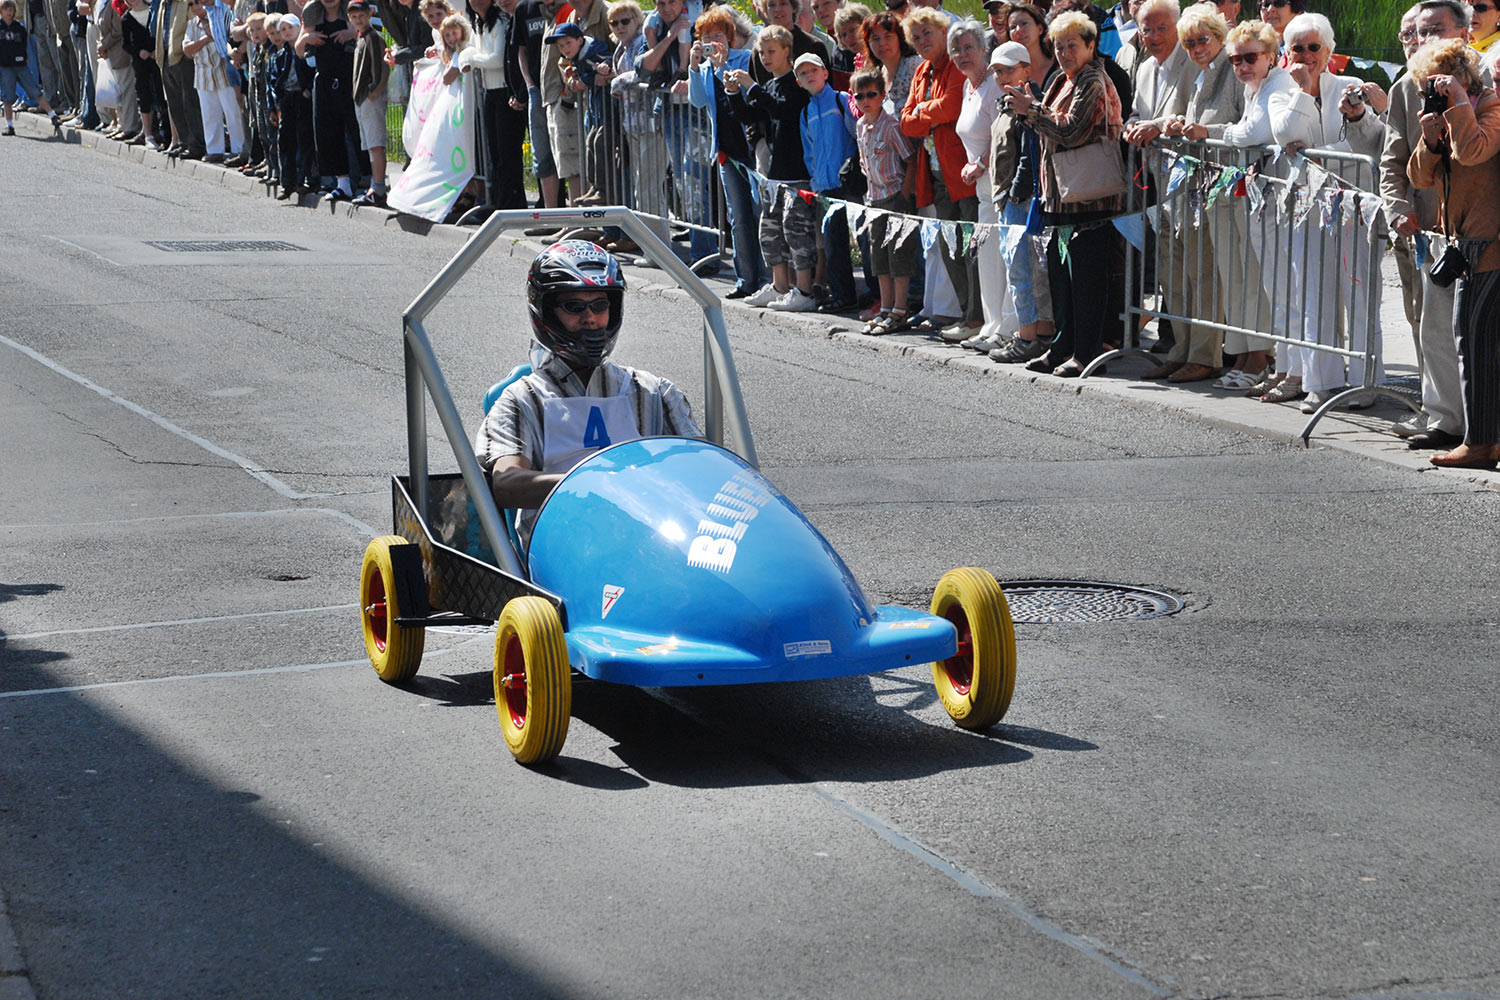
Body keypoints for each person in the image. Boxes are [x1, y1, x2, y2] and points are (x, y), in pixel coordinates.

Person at [476, 241, 702, 545]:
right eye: (575, 307)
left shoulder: (654, 392)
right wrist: (602, 481)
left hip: (649, 539)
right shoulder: (521, 399)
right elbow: (507, 482)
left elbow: (700, 468)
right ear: (546, 312)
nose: (590, 319)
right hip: (562, 546)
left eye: (600, 306)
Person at [1267, 10, 1385, 413]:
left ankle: (1368, 382)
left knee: (1360, 293)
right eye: (1296, 48)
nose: (1305, 55)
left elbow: (1368, 144)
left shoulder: (1350, 86)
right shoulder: (1283, 90)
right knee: (1313, 293)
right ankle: (1321, 383)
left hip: (1352, 205)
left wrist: (1322, 153)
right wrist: (1303, 92)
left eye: (1313, 47)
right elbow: (1284, 133)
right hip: (1307, 206)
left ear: (1328, 50)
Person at [1003, 9, 1125, 377]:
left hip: (1090, 196)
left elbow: (1072, 131)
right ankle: (1063, 345)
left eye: (1072, 45)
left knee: (1087, 276)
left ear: (1091, 45)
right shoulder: (1061, 80)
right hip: (1059, 195)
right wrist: (1025, 109)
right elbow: (1044, 126)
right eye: (1058, 46)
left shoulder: (1093, 80)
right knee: (1060, 275)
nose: (1064, 52)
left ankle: (1086, 353)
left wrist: (1032, 110)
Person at [1408, 37, 1500, 469]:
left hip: (1490, 249)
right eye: (1429, 86)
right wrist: (1429, 140)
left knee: (1476, 344)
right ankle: (1487, 438)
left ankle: (1480, 443)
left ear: (1465, 77)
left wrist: (1460, 104)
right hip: (1465, 247)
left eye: (1442, 83)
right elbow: (1420, 179)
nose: (1436, 92)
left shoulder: (1491, 111)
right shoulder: (1451, 117)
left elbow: (1474, 150)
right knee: (1476, 344)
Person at [1386, 0, 1473, 449]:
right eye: (1417, 32)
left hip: (1481, 225)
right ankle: (1444, 420)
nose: (1423, 40)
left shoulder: (1486, 79)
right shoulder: (1406, 87)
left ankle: (1481, 421)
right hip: (1432, 230)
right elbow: (1393, 161)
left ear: (1464, 33)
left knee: (1479, 330)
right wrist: (1398, 209)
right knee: (1435, 327)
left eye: (1435, 29)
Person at [728, 24, 819, 311]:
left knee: (796, 231)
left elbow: (781, 109)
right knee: (769, 230)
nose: (765, 58)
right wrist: (733, 93)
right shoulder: (769, 85)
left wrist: (751, 86)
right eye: (762, 52)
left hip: (798, 171)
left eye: (771, 52)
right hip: (775, 174)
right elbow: (751, 115)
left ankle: (805, 290)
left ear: (786, 52)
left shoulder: (795, 83)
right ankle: (780, 285)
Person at [901, 5, 976, 337]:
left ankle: (977, 317)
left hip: (962, 171)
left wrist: (923, 110)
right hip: (934, 172)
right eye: (915, 38)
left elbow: (953, 106)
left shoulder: (956, 66)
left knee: (972, 247)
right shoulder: (921, 72)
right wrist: (927, 113)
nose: (921, 41)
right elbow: (906, 123)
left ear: (944, 32)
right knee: (950, 247)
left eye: (926, 33)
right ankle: (965, 313)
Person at [687, 5, 766, 292]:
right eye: (706, 37)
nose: (713, 42)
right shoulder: (704, 69)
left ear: (730, 37)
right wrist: (694, 67)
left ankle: (769, 277)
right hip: (724, 150)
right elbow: (697, 101)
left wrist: (721, 68)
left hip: (750, 147)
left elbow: (740, 91)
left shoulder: (745, 59)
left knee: (759, 213)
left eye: (718, 35)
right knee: (738, 217)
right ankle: (745, 279)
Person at [986, 38, 1053, 363]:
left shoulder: (1029, 101)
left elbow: (1030, 152)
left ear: (1026, 69)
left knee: (1024, 271)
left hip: (1022, 199)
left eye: (1008, 70)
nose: (1001, 76)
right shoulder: (1005, 102)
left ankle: (1030, 336)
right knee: (1025, 269)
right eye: (997, 71)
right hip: (1007, 196)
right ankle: (1037, 331)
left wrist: (1015, 193)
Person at [951, 17, 1013, 352]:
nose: (963, 55)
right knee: (987, 258)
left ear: (983, 48)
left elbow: (1001, 131)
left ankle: (1008, 328)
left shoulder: (994, 83)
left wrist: (982, 163)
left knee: (1006, 257)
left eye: (969, 48)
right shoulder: (967, 86)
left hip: (1001, 181)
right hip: (981, 188)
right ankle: (990, 325)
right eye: (957, 50)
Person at [852, 65, 917, 332]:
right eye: (860, 96)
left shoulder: (891, 126)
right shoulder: (860, 125)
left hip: (894, 197)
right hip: (874, 199)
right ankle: (886, 306)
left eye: (871, 94)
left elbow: (910, 159)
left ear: (882, 95)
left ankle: (900, 310)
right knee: (879, 258)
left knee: (898, 256)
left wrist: (905, 194)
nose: (866, 101)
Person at [183, 0, 244, 162]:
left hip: (223, 70)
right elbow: (187, 50)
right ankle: (215, 150)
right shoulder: (192, 24)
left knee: (233, 112)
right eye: (191, 4)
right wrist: (205, 39)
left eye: (197, 3)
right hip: (203, 74)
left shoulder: (220, 12)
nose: (196, 7)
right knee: (209, 115)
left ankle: (239, 149)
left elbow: (227, 39)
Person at [345, 0, 386, 204]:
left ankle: (379, 188)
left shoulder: (373, 38)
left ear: (369, 14)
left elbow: (380, 69)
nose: (358, 20)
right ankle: (374, 184)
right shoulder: (360, 38)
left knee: (376, 143)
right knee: (370, 144)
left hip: (371, 98)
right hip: (361, 98)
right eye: (353, 17)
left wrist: (373, 92)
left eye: (361, 15)